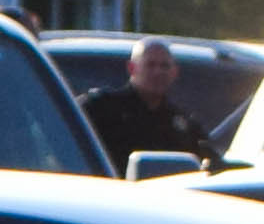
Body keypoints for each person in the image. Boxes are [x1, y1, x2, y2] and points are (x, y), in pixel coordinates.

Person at [78, 38, 212, 167]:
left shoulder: (183, 126)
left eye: (164, 66)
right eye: (150, 65)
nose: (158, 72)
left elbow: (208, 166)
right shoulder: (101, 109)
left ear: (174, 72)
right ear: (132, 68)